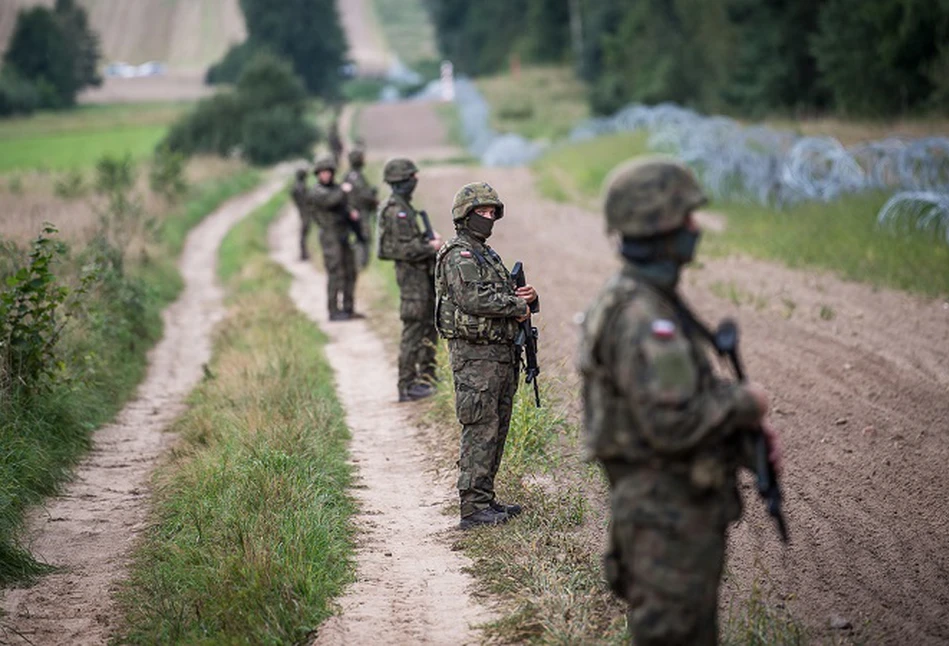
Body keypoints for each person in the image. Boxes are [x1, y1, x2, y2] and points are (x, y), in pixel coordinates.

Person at [577, 157, 782, 646]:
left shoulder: (644, 299)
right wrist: (746, 403)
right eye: (686, 217)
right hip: (665, 521)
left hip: (666, 514)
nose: (695, 228)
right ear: (661, 227)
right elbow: (672, 422)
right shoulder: (646, 316)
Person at [434, 182, 539, 530]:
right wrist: (517, 305)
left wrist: (527, 297)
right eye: (482, 211)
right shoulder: (459, 254)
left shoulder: (485, 253)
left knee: (497, 425)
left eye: (493, 212)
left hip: (498, 353)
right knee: (480, 426)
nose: (489, 217)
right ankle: (473, 507)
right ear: (465, 216)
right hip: (475, 357)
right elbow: (472, 300)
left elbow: (503, 293)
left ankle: (485, 499)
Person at [377, 158, 443, 402]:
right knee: (414, 328)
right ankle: (406, 385)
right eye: (411, 177)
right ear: (401, 181)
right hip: (412, 280)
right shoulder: (397, 211)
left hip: (420, 278)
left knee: (427, 325)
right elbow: (401, 249)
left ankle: (425, 378)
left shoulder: (404, 206)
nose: (415, 181)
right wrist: (430, 246)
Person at [308, 154, 362, 321]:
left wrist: (351, 213)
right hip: (330, 237)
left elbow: (343, 205)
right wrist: (343, 191)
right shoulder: (317, 191)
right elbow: (330, 201)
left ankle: (348, 307)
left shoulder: (336, 188)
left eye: (328, 172)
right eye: (322, 173)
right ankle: (333, 310)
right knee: (335, 272)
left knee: (350, 271)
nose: (325, 175)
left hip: (343, 234)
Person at [343, 146, 379, 268]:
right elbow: (363, 195)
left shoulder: (351, 175)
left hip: (357, 212)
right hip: (359, 213)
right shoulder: (355, 177)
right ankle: (359, 265)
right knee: (362, 239)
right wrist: (373, 197)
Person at [290, 168, 311, 261]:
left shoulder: (296, 186)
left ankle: (304, 252)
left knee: (304, 232)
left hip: (302, 210)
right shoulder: (301, 187)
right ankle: (303, 253)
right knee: (304, 231)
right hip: (305, 211)